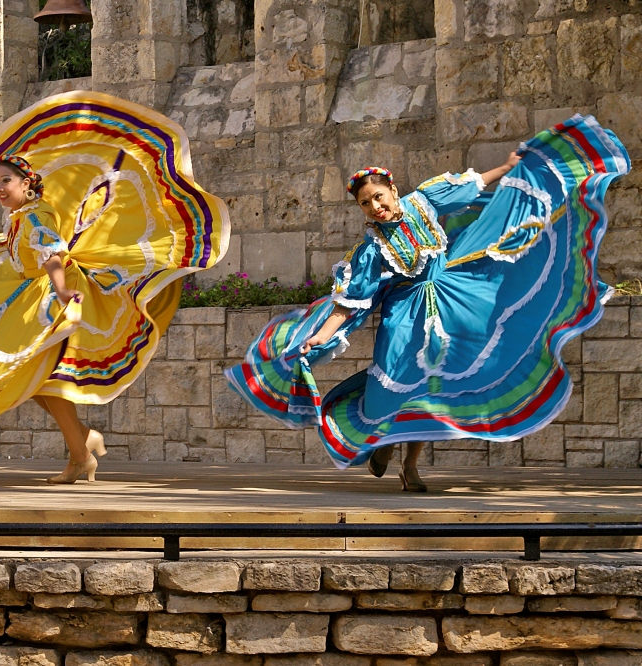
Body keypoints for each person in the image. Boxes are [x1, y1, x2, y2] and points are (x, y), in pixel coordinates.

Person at [225, 115, 630, 491]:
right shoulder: (370, 250)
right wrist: (319, 337)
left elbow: (470, 187)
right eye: (366, 204)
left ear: (393, 190)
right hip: (404, 318)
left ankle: (410, 464)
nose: (375, 207)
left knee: (435, 386)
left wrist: (506, 169)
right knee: (402, 387)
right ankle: (385, 438)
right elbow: (349, 303)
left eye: (379, 197)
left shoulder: (424, 201)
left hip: (449, 297)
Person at [0, 90, 231, 483]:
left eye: (5, 181)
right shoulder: (23, 215)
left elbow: (52, 253)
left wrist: (62, 291)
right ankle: (82, 443)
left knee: (43, 381)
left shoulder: (33, 218)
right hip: (26, 294)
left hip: (44, 300)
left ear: (27, 181)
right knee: (39, 382)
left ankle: (81, 454)